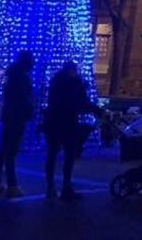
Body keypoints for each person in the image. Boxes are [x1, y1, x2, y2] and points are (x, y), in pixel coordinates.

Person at [42, 61, 102, 201]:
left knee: (52, 154)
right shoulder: (75, 82)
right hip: (68, 122)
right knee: (69, 154)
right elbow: (81, 102)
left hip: (52, 120)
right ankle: (66, 186)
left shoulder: (56, 81)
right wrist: (96, 110)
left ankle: (50, 187)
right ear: (73, 70)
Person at [0, 50, 35, 197]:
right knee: (10, 151)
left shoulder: (13, 76)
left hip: (10, 116)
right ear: (26, 62)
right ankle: (12, 184)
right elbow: (23, 99)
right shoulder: (21, 78)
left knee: (4, 150)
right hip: (16, 117)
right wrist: (29, 111)